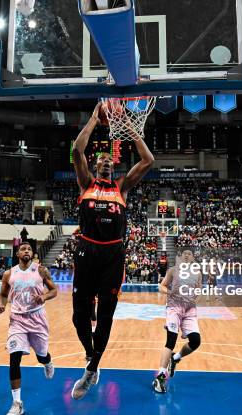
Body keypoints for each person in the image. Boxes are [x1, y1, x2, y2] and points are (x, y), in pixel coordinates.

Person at [70, 102, 154, 400]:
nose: (107, 164)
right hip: (86, 252)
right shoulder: (85, 183)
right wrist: (94, 118)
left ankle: (92, 367)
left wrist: (127, 126)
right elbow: (77, 151)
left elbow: (148, 159)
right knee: (79, 316)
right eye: (102, 161)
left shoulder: (122, 187)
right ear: (95, 166)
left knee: (105, 315)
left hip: (113, 255)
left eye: (110, 162)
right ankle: (90, 355)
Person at [0, 241, 57, 415]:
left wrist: (44, 297)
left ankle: (48, 362)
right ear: (17, 254)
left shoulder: (41, 270)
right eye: (23, 249)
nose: (27, 251)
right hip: (17, 320)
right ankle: (17, 403)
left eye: (29, 249)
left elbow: (54, 290)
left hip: (37, 318)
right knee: (14, 358)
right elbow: (3, 294)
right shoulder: (9, 274)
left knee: (41, 356)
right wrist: (1, 305)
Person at [152, 248, 202, 393]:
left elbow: (199, 289)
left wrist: (196, 299)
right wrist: (169, 291)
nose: (187, 256)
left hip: (189, 310)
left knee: (195, 341)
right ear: (180, 257)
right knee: (171, 340)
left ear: (192, 258)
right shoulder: (173, 270)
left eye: (189, 254)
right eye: (184, 254)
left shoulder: (197, 273)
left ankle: (176, 358)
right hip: (174, 308)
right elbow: (161, 286)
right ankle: (160, 377)